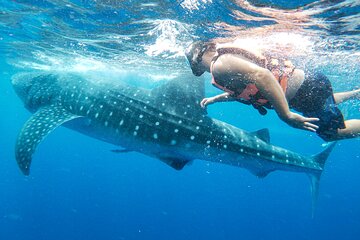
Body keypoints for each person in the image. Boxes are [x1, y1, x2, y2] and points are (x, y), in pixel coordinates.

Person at [185, 41, 360, 141]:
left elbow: (263, 76)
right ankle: (356, 93)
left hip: (306, 90)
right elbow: (243, 92)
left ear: (196, 63)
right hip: (307, 89)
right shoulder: (222, 66)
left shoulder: (219, 66)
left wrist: (286, 115)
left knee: (331, 134)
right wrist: (215, 99)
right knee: (322, 102)